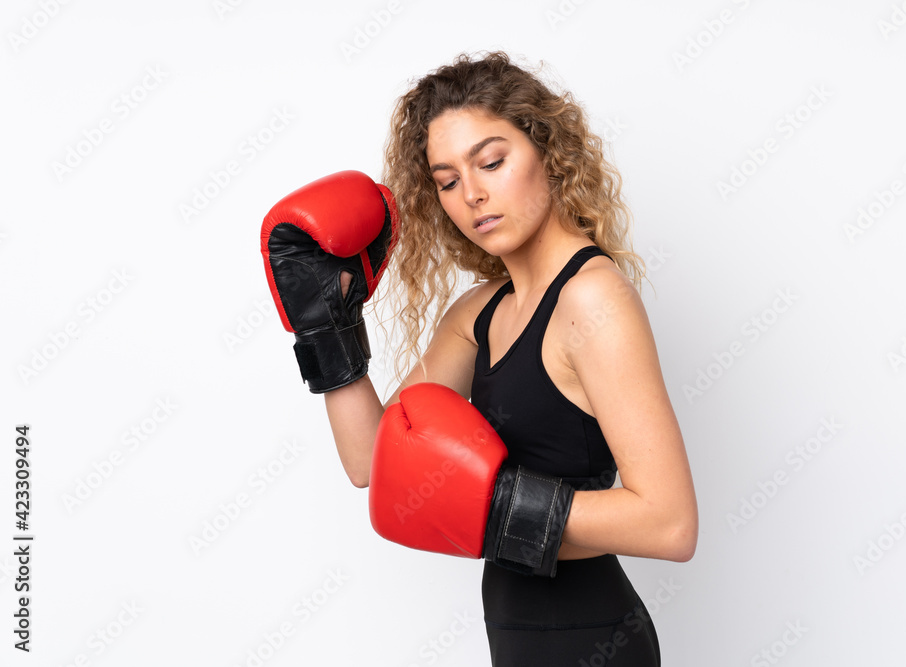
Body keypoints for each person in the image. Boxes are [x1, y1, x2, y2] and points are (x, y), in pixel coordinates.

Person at [261, 50, 697, 666]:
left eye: (492, 161)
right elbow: (370, 462)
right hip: (518, 642)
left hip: (594, 641)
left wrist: (488, 509)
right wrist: (327, 325)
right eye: (445, 181)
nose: (472, 194)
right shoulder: (479, 312)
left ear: (548, 151)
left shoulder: (592, 298)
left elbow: (669, 523)